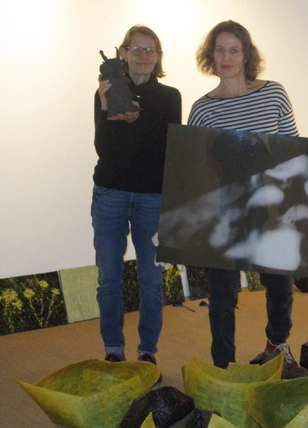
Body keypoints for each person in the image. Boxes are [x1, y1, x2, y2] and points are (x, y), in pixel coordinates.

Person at [188, 20, 299, 369]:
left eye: (234, 49)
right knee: (222, 294)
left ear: (246, 54)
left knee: (279, 283)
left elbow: (292, 149)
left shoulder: (274, 93)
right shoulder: (202, 109)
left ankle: (277, 343)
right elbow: (198, 167)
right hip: (225, 208)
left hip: (269, 203)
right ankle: (223, 366)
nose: (226, 57)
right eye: (219, 49)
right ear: (211, 55)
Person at [92, 25, 182, 368]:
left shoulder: (170, 96)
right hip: (110, 191)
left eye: (150, 50)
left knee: (151, 277)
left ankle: (147, 351)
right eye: (136, 48)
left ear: (158, 57)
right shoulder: (105, 90)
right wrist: (107, 108)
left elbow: (165, 148)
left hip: (152, 196)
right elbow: (105, 149)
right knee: (109, 276)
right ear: (123, 53)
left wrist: (132, 117)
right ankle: (113, 348)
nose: (143, 55)